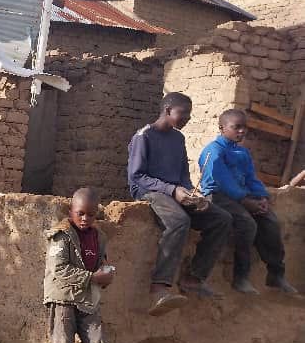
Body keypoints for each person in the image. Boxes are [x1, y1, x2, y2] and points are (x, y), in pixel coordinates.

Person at [127, 92, 233, 316]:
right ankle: (159, 287)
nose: (187, 119)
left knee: (221, 218)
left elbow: (183, 174)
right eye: (183, 114)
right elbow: (137, 176)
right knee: (178, 221)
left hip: (174, 192)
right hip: (149, 192)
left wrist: (193, 194)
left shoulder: (178, 139)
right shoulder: (143, 137)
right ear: (167, 111)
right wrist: (171, 190)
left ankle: (193, 278)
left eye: (189, 115)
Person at [32, 188, 132, 343]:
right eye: (80, 213)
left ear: (97, 214)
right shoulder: (62, 235)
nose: (85, 218)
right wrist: (92, 277)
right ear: (71, 212)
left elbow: (101, 263)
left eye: (91, 214)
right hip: (63, 298)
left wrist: (106, 274)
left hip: (87, 300)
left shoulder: (99, 237)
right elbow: (59, 270)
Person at [198, 109, 297, 295]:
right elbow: (222, 180)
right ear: (222, 128)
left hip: (242, 197)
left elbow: (251, 178)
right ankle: (240, 277)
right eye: (237, 127)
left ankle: (276, 274)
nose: (242, 131)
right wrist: (245, 201)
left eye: (245, 128)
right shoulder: (214, 150)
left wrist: (262, 197)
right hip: (218, 196)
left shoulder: (242, 152)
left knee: (271, 222)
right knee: (247, 224)